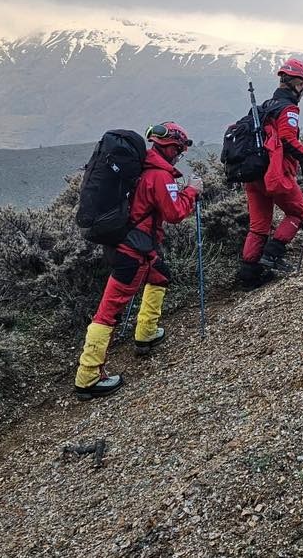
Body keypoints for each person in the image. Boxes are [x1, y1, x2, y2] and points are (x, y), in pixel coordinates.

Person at [74, 121, 200, 400]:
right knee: (109, 312)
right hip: (133, 252)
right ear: (172, 148)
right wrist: (192, 190)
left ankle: (147, 332)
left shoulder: (141, 166)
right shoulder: (159, 176)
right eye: (179, 150)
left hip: (130, 243)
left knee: (161, 275)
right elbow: (175, 213)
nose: (179, 156)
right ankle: (88, 376)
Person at [236, 59, 303, 289]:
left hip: (253, 175)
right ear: (298, 84)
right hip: (275, 174)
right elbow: (288, 141)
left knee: (258, 226)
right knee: (299, 211)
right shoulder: (288, 109)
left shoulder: (265, 106)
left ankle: (248, 276)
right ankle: (273, 254)